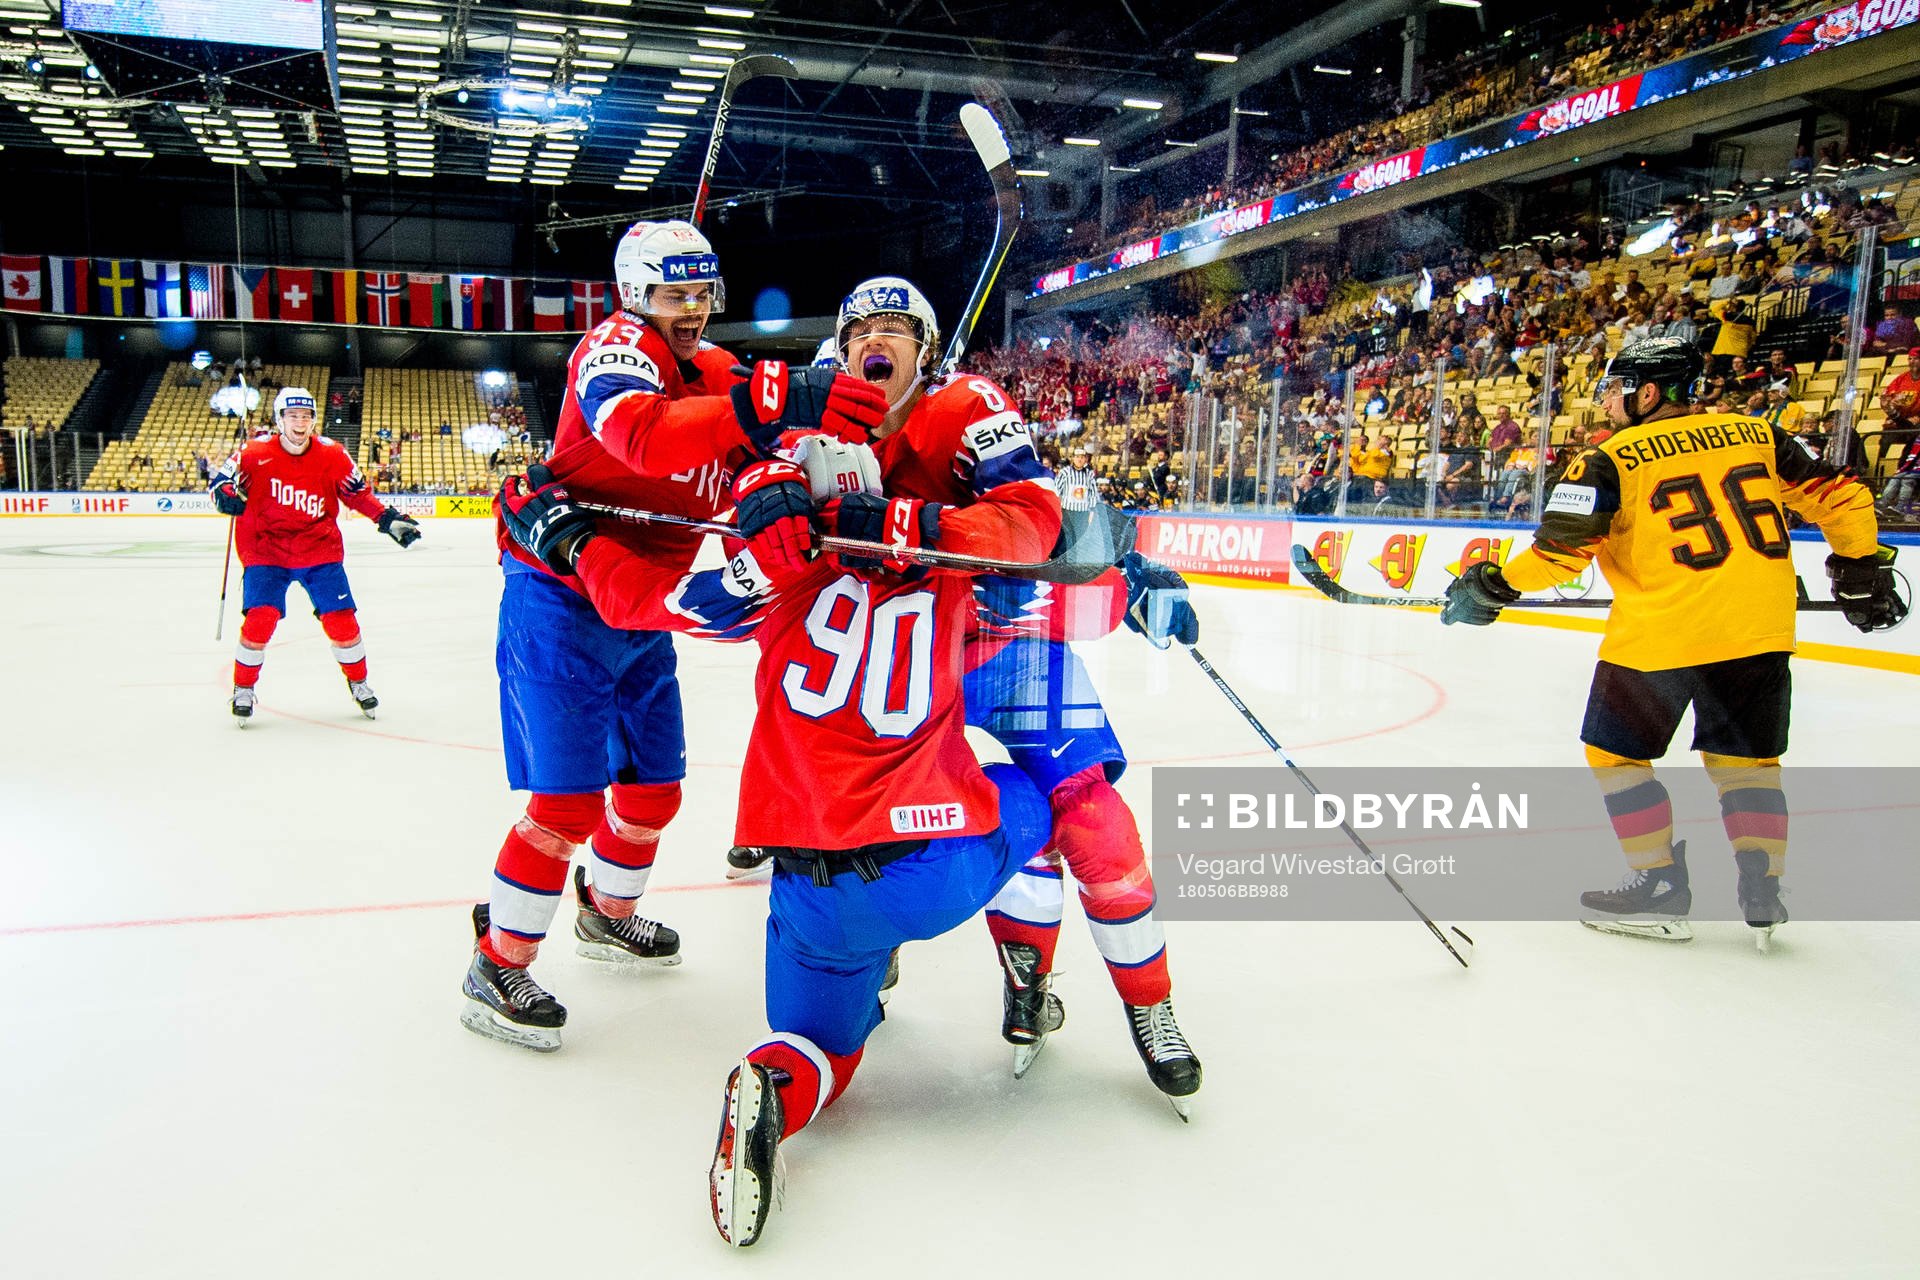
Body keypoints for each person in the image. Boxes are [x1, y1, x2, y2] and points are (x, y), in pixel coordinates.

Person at [491, 402, 1061, 1246]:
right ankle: (1029, 985)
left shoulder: (778, 571)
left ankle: (765, 1089)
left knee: (816, 1052)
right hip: (934, 865)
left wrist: (567, 537)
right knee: (1038, 801)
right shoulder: (954, 566)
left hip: (812, 892)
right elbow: (1034, 548)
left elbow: (642, 599)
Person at [460, 220, 888, 1053]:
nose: (691, 310)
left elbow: (761, 450)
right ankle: (496, 960)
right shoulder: (614, 345)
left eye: (702, 294)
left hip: (644, 599)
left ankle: (606, 914)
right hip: (564, 592)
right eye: (673, 295)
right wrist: (783, 399)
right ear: (635, 297)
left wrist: (777, 482)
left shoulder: (720, 369)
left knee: (656, 791)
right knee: (567, 805)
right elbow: (644, 436)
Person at [829, 276, 1203, 1107]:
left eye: (897, 327)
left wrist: (1119, 566)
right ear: (842, 347)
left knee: (1088, 815)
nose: (877, 340)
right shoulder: (815, 414)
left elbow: (1032, 499)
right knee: (900, 830)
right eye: (862, 329)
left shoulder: (968, 401)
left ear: (926, 350)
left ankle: (1151, 1007)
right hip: (889, 659)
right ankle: (1006, 979)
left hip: (1005, 644)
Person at [1441, 338, 1898, 947]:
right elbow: (1842, 495)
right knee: (1747, 765)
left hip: (1661, 636)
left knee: (1616, 756)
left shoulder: (1607, 459)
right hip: (1760, 629)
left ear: (1648, 392)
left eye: (1613, 388)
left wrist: (1493, 581)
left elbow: (1558, 557)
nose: (1605, 401)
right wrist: (1860, 565)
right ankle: (1763, 886)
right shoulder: (1757, 434)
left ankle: (1659, 884)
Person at [209, 387, 422, 722]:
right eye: (292, 416)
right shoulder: (252, 452)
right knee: (260, 619)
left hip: (319, 549)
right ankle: (244, 689)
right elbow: (220, 481)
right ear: (279, 419)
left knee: (342, 622)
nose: (300, 422)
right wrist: (223, 494)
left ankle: (359, 683)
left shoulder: (332, 454)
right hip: (265, 550)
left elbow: (357, 493)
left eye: (306, 416)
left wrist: (386, 518)